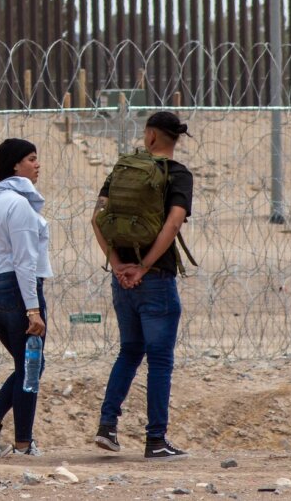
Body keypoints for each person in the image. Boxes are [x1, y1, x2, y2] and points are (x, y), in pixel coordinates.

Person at [92, 112, 194, 460]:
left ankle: (107, 426)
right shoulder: (177, 174)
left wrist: (119, 264)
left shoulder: (122, 169)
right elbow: (174, 222)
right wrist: (146, 266)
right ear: (173, 139)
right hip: (156, 279)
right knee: (160, 360)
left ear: (150, 136)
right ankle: (156, 439)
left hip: (121, 280)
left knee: (130, 351)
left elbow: (97, 218)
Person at [0, 138, 52, 456]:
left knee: (26, 364)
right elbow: (24, 261)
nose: (37, 165)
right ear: (15, 165)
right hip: (18, 293)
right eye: (32, 159)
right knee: (31, 366)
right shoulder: (18, 205)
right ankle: (22, 444)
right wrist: (33, 309)